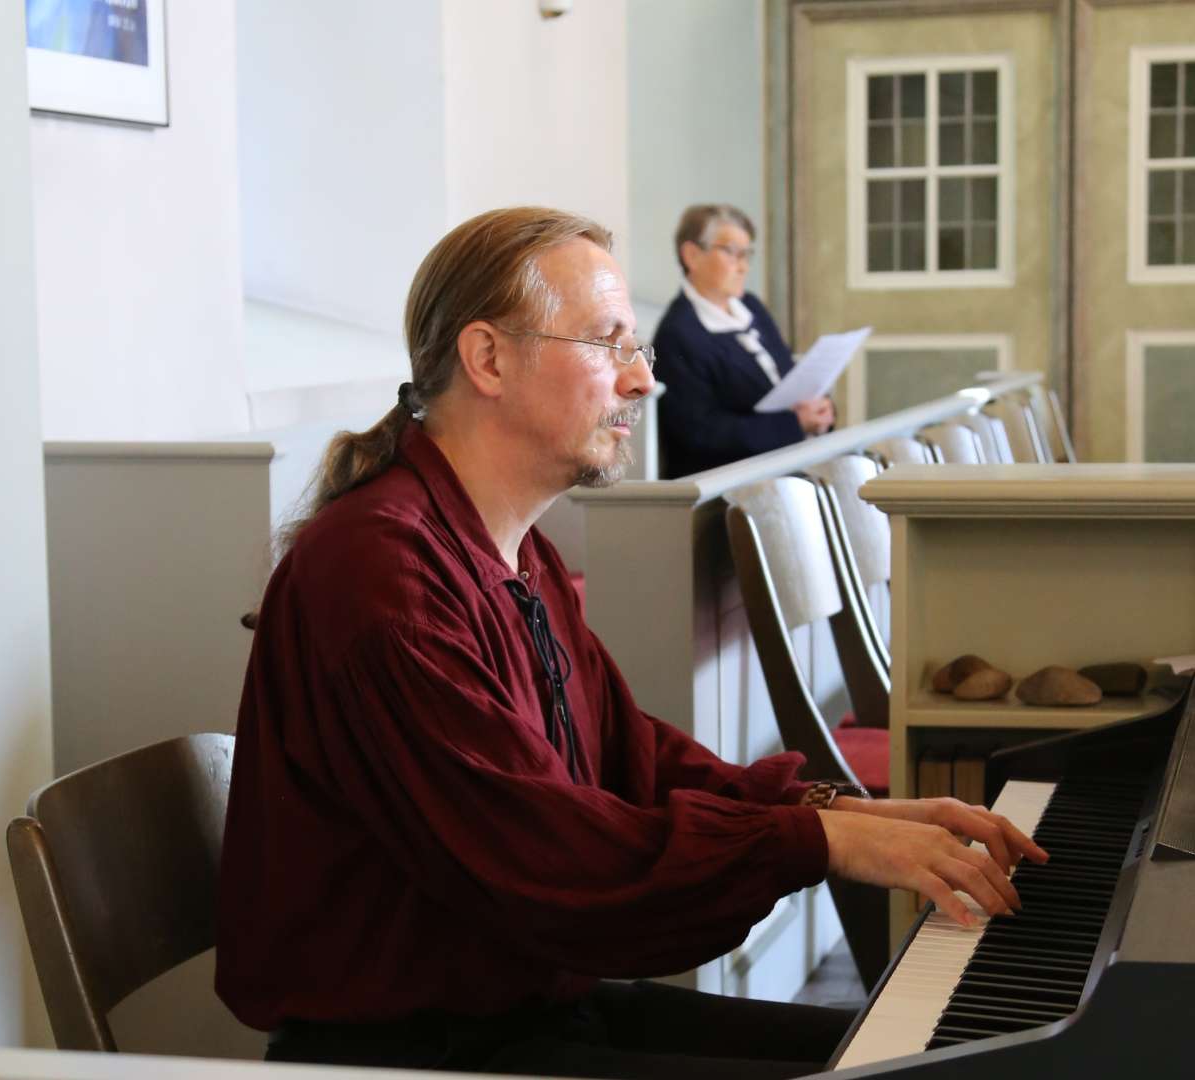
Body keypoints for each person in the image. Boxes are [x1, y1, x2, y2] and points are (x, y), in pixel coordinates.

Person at [217, 207, 1044, 1079]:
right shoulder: (379, 571)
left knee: (943, 1055)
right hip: (413, 1051)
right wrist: (818, 845)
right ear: (488, 358)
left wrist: (837, 812)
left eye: (636, 349)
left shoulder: (511, 547)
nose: (642, 382)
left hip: (518, 1008)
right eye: (608, 345)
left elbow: (633, 757)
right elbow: (548, 858)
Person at [652, 204, 836, 478]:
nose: (743, 266)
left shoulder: (751, 307)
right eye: (731, 252)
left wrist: (820, 409)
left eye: (746, 254)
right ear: (692, 254)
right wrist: (795, 425)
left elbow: (787, 378)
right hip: (728, 492)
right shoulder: (677, 334)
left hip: (785, 470)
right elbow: (701, 434)